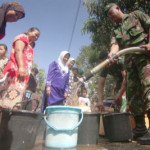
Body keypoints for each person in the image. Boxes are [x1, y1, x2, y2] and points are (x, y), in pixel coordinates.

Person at [104, 3, 150, 144]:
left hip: (145, 59)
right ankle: (140, 129)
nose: (111, 17)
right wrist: (112, 55)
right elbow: (115, 45)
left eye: (111, 13)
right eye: (108, 17)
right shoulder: (116, 30)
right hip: (130, 63)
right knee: (133, 94)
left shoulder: (136, 15)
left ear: (118, 8)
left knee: (148, 89)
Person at [0, 27, 40, 109]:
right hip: (16, 72)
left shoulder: (28, 43)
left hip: (22, 75)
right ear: (29, 31)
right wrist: (21, 67)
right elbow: (18, 50)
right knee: (8, 101)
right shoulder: (22, 37)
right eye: (35, 34)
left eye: (37, 37)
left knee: (15, 102)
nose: (36, 37)